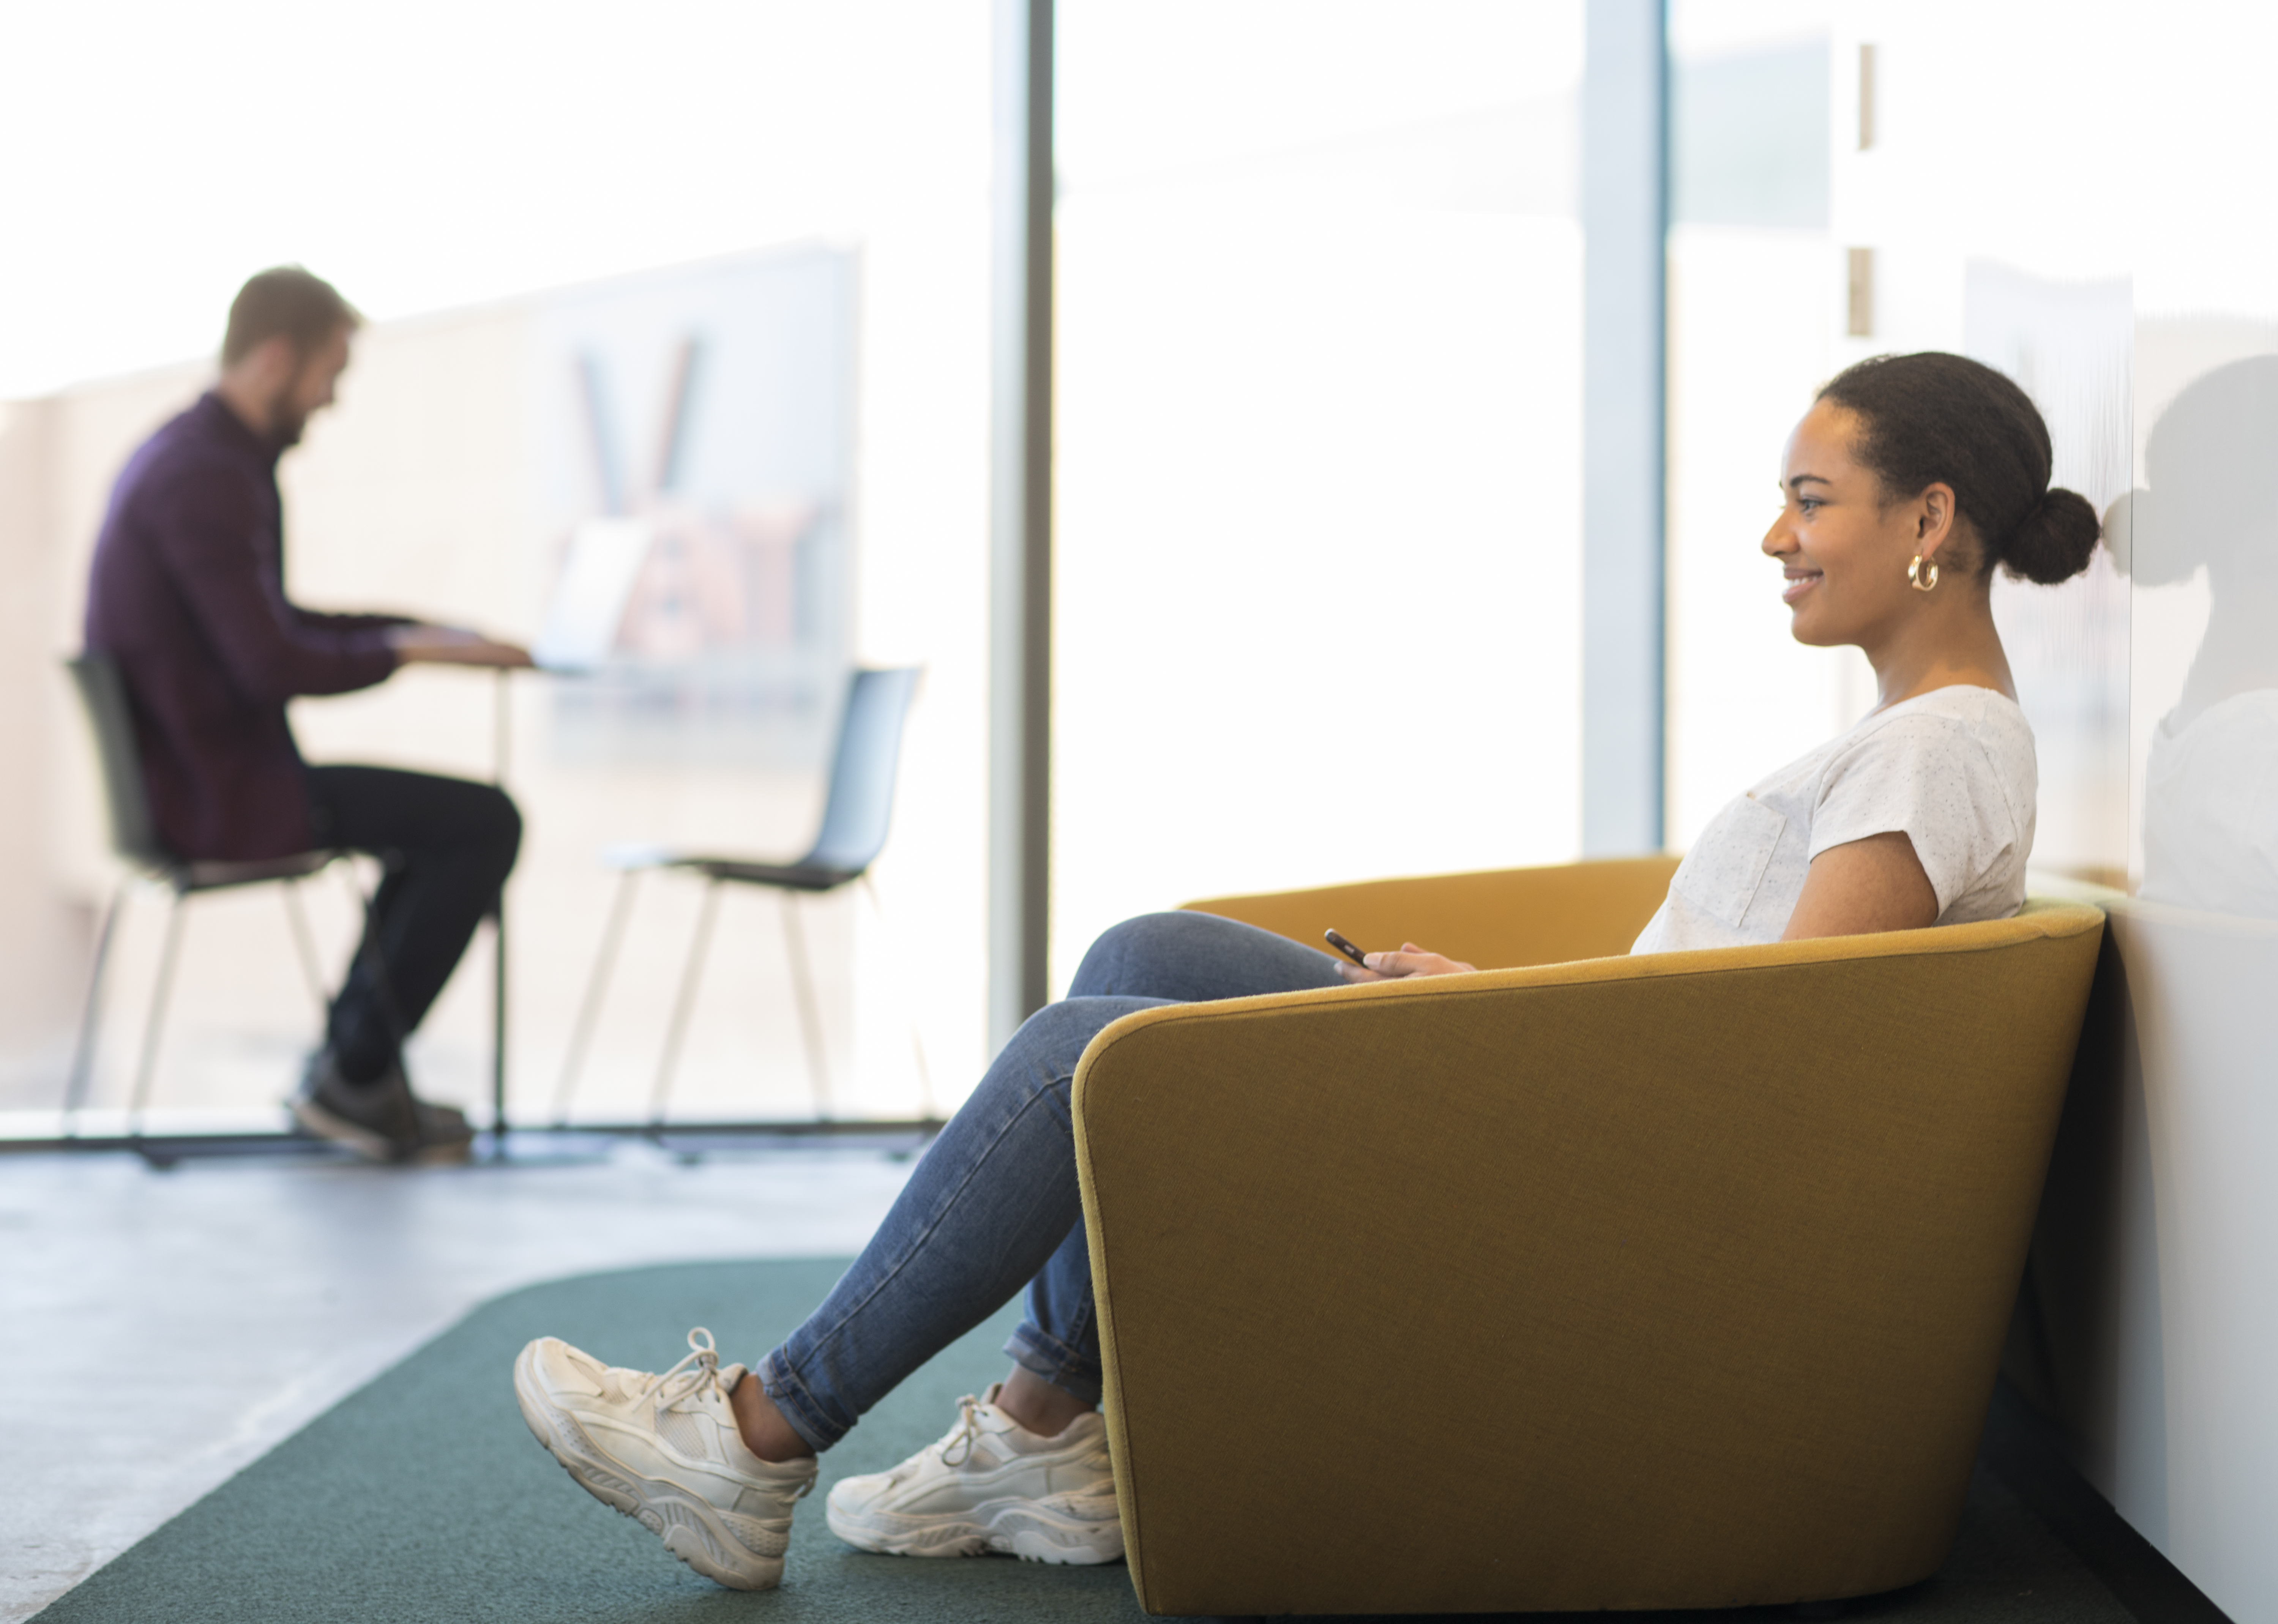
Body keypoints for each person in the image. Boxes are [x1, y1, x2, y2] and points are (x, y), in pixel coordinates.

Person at [510, 351, 2104, 1591]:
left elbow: (1779, 1050)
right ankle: (1042, 1438)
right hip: (1608, 1115)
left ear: (1932, 520)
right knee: (1147, 955)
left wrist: (1472, 1024)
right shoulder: (1918, 741)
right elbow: (1724, 1004)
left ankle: (757, 1439)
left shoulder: (1945, 749)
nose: (1776, 532)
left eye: (1812, 496)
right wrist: (1474, 999)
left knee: (1091, 1051)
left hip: (1632, 1193)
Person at [82, 266, 535, 1162]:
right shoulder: (205, 476)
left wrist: (416, 629)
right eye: (331, 372)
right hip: (220, 793)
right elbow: (269, 663)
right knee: (482, 821)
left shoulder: (198, 459)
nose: (331, 401)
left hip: (216, 773)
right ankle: (356, 1071)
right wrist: (415, 651)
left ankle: (352, 1068)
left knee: (448, 826)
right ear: (277, 359)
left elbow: (273, 624)